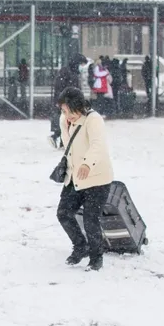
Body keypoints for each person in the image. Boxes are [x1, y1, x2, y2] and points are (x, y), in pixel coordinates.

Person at [55, 87, 114, 272]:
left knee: (90, 220)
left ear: (78, 106)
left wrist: (87, 164)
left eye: (68, 110)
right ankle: (81, 246)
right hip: (75, 177)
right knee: (63, 213)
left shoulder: (93, 119)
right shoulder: (65, 120)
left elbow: (98, 145)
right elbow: (69, 147)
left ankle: (96, 258)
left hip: (97, 178)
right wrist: (64, 125)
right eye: (63, 111)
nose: (65, 114)